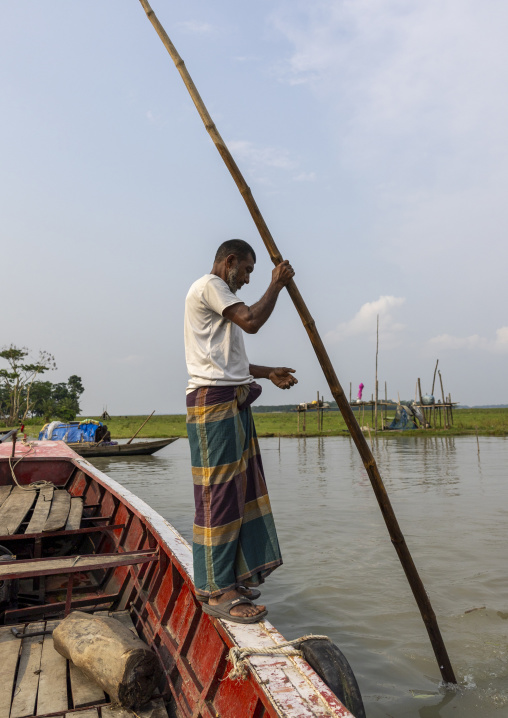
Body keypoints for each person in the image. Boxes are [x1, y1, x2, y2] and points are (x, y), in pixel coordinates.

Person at [184, 238, 297, 623]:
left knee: (239, 490)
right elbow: (252, 322)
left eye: (252, 272)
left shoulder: (221, 300)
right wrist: (276, 284)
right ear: (229, 262)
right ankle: (216, 590)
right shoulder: (211, 287)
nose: (248, 279)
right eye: (246, 270)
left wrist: (268, 373)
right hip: (213, 404)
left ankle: (229, 576)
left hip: (228, 398)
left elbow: (230, 364)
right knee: (218, 495)